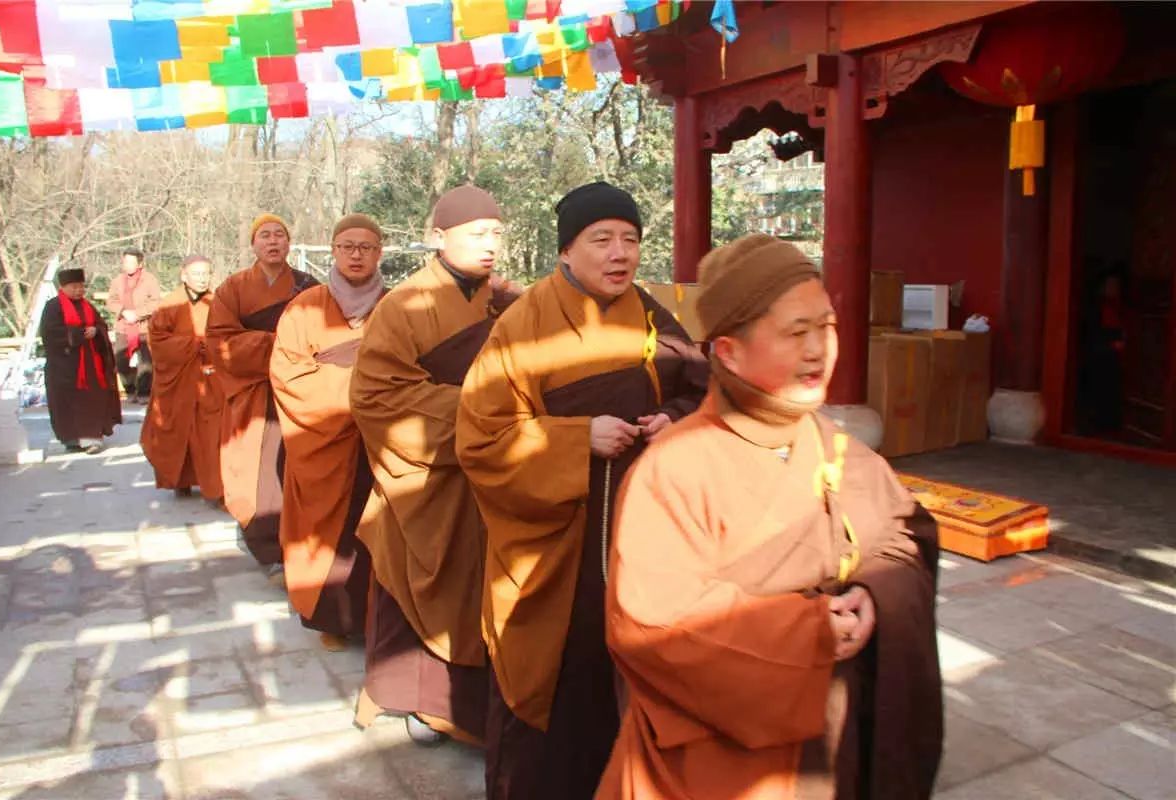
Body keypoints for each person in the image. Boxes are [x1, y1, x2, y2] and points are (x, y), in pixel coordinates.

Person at [596, 234, 944, 800]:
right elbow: (651, 626)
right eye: (795, 333)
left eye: (826, 327)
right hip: (728, 762)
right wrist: (809, 633)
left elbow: (904, 537)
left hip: (836, 744)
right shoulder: (674, 468)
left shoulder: (840, 449)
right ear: (729, 353)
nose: (818, 350)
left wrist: (876, 592)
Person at [455, 182, 708, 799]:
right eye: (602, 240)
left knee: (634, 674)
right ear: (567, 251)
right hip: (556, 546)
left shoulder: (649, 311)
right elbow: (481, 437)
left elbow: (702, 381)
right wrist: (574, 439)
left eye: (630, 239)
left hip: (640, 532)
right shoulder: (524, 323)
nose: (620, 253)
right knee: (554, 678)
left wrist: (674, 414)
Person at [349, 185, 513, 745]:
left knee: (483, 589)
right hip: (428, 479)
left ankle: (479, 709)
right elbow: (376, 397)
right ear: (438, 238)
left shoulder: (506, 302)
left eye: (496, 233)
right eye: (476, 234)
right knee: (426, 581)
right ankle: (423, 704)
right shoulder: (403, 305)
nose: (489, 245)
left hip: (491, 475)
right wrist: (481, 414)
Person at [270, 213, 386, 652]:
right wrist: (359, 381)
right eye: (347, 246)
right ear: (333, 251)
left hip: (379, 447)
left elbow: (409, 370)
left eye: (367, 247)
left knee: (374, 534)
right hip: (321, 443)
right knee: (326, 538)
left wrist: (350, 368)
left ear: (379, 254)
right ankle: (331, 619)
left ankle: (374, 617)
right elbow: (289, 376)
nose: (357, 255)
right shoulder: (303, 308)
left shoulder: (396, 306)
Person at [206, 214, 317, 582]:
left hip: (301, 393)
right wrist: (279, 347)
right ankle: (267, 544)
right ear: (253, 245)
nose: (273, 242)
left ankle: (302, 544)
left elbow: (324, 332)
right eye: (265, 236)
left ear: (289, 243)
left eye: (280, 235)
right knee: (258, 472)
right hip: (256, 394)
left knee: (301, 470)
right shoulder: (233, 288)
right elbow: (220, 342)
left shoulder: (308, 287)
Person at [139, 256, 224, 504]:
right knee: (178, 433)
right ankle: (181, 480)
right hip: (178, 380)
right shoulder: (169, 305)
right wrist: (193, 344)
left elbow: (228, 334)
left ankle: (216, 487)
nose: (202, 278)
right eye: (196, 274)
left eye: (206, 273)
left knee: (212, 434)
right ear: (183, 275)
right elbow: (157, 341)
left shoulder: (218, 303)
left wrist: (213, 348)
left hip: (210, 380)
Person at [38, 268, 122, 453]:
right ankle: (72, 439)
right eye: (74, 287)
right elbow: (50, 333)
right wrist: (78, 334)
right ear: (63, 287)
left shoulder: (87, 306)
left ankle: (92, 438)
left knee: (93, 399)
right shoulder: (53, 306)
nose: (78, 290)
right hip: (65, 366)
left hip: (91, 364)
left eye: (81, 286)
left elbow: (100, 325)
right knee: (67, 403)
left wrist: (96, 331)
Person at [106, 247, 162, 403]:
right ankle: (130, 388)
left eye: (131, 262)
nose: (128, 265)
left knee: (146, 362)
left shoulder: (149, 280)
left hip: (143, 326)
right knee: (120, 361)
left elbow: (156, 302)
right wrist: (123, 311)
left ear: (140, 264)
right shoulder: (117, 281)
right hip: (123, 327)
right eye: (125, 261)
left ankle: (144, 392)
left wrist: (138, 313)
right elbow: (111, 301)